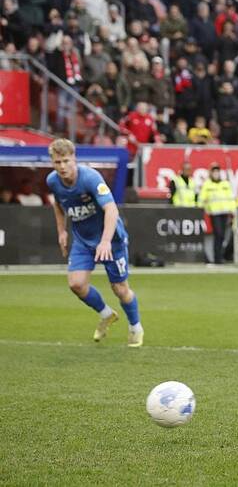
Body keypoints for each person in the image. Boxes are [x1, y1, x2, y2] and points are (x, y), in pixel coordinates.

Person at [45, 139, 144, 347]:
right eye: (57, 162)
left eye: (66, 161)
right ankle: (107, 314)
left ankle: (135, 327)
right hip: (83, 240)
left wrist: (106, 241)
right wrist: (62, 231)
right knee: (76, 284)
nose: (62, 166)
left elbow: (111, 209)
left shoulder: (90, 178)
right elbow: (58, 204)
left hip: (111, 240)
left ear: (74, 159)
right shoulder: (53, 181)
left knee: (120, 288)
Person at [197, 163, 236, 265]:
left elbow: (230, 199)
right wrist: (202, 208)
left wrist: (233, 211)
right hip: (214, 213)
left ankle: (219, 257)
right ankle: (217, 258)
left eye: (217, 171)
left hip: (225, 212)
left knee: (222, 235)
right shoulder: (207, 184)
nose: (216, 173)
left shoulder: (225, 184)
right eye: (214, 171)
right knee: (218, 234)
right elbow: (202, 198)